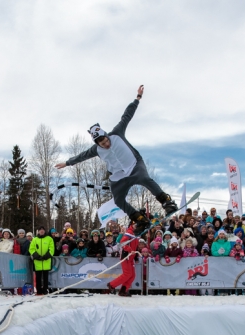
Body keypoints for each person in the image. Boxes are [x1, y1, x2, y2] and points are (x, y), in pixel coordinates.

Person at [55, 85, 178, 232]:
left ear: (107, 135)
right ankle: (139, 219)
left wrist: (137, 98)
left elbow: (127, 115)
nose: (106, 144)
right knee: (118, 200)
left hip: (134, 165)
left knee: (145, 179)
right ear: (97, 143)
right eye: (102, 143)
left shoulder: (117, 132)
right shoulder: (96, 150)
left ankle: (167, 202)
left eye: (106, 140)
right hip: (118, 176)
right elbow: (82, 156)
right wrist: (68, 163)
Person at [108, 223, 140, 297]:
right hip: (126, 256)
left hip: (131, 257)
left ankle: (123, 290)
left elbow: (136, 246)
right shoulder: (129, 233)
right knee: (127, 274)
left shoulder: (137, 234)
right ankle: (111, 285)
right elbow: (122, 243)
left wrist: (136, 256)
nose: (137, 226)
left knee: (132, 275)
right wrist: (129, 250)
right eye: (135, 225)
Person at [29, 227, 55, 295]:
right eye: (40, 230)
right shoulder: (35, 239)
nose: (41, 231)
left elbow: (51, 248)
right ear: (38, 231)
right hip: (38, 261)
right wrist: (36, 256)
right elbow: (31, 249)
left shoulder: (49, 239)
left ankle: (45, 290)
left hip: (46, 261)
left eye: (43, 230)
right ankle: (39, 290)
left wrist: (47, 256)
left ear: (44, 231)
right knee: (38, 277)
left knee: (45, 277)